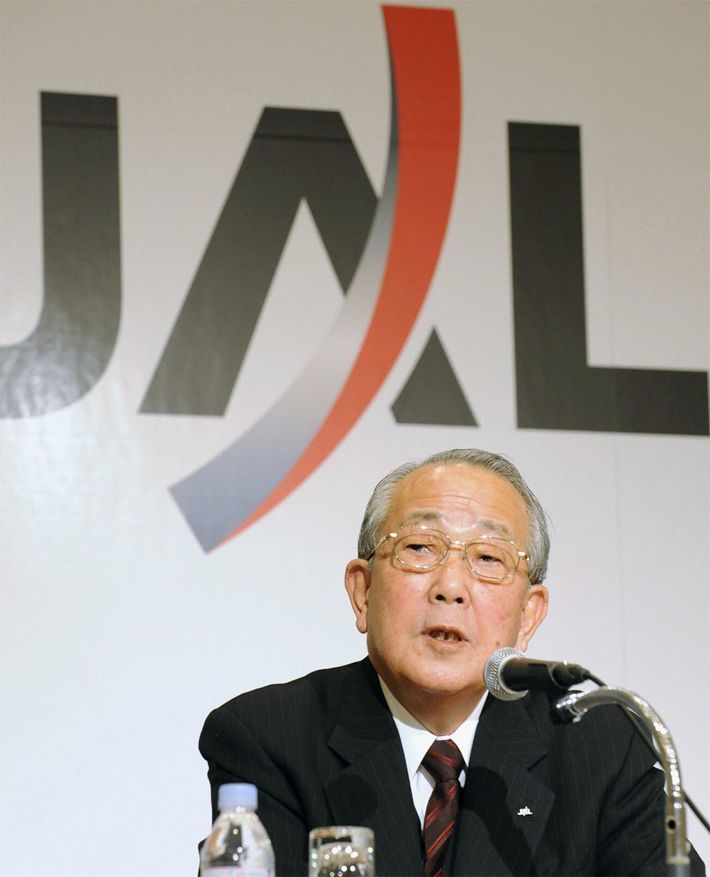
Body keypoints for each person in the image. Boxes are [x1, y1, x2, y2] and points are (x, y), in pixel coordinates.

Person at [199, 448, 705, 876]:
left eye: (488, 558)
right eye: (420, 547)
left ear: (528, 615)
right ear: (363, 591)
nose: (451, 587)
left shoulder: (601, 748)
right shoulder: (269, 738)